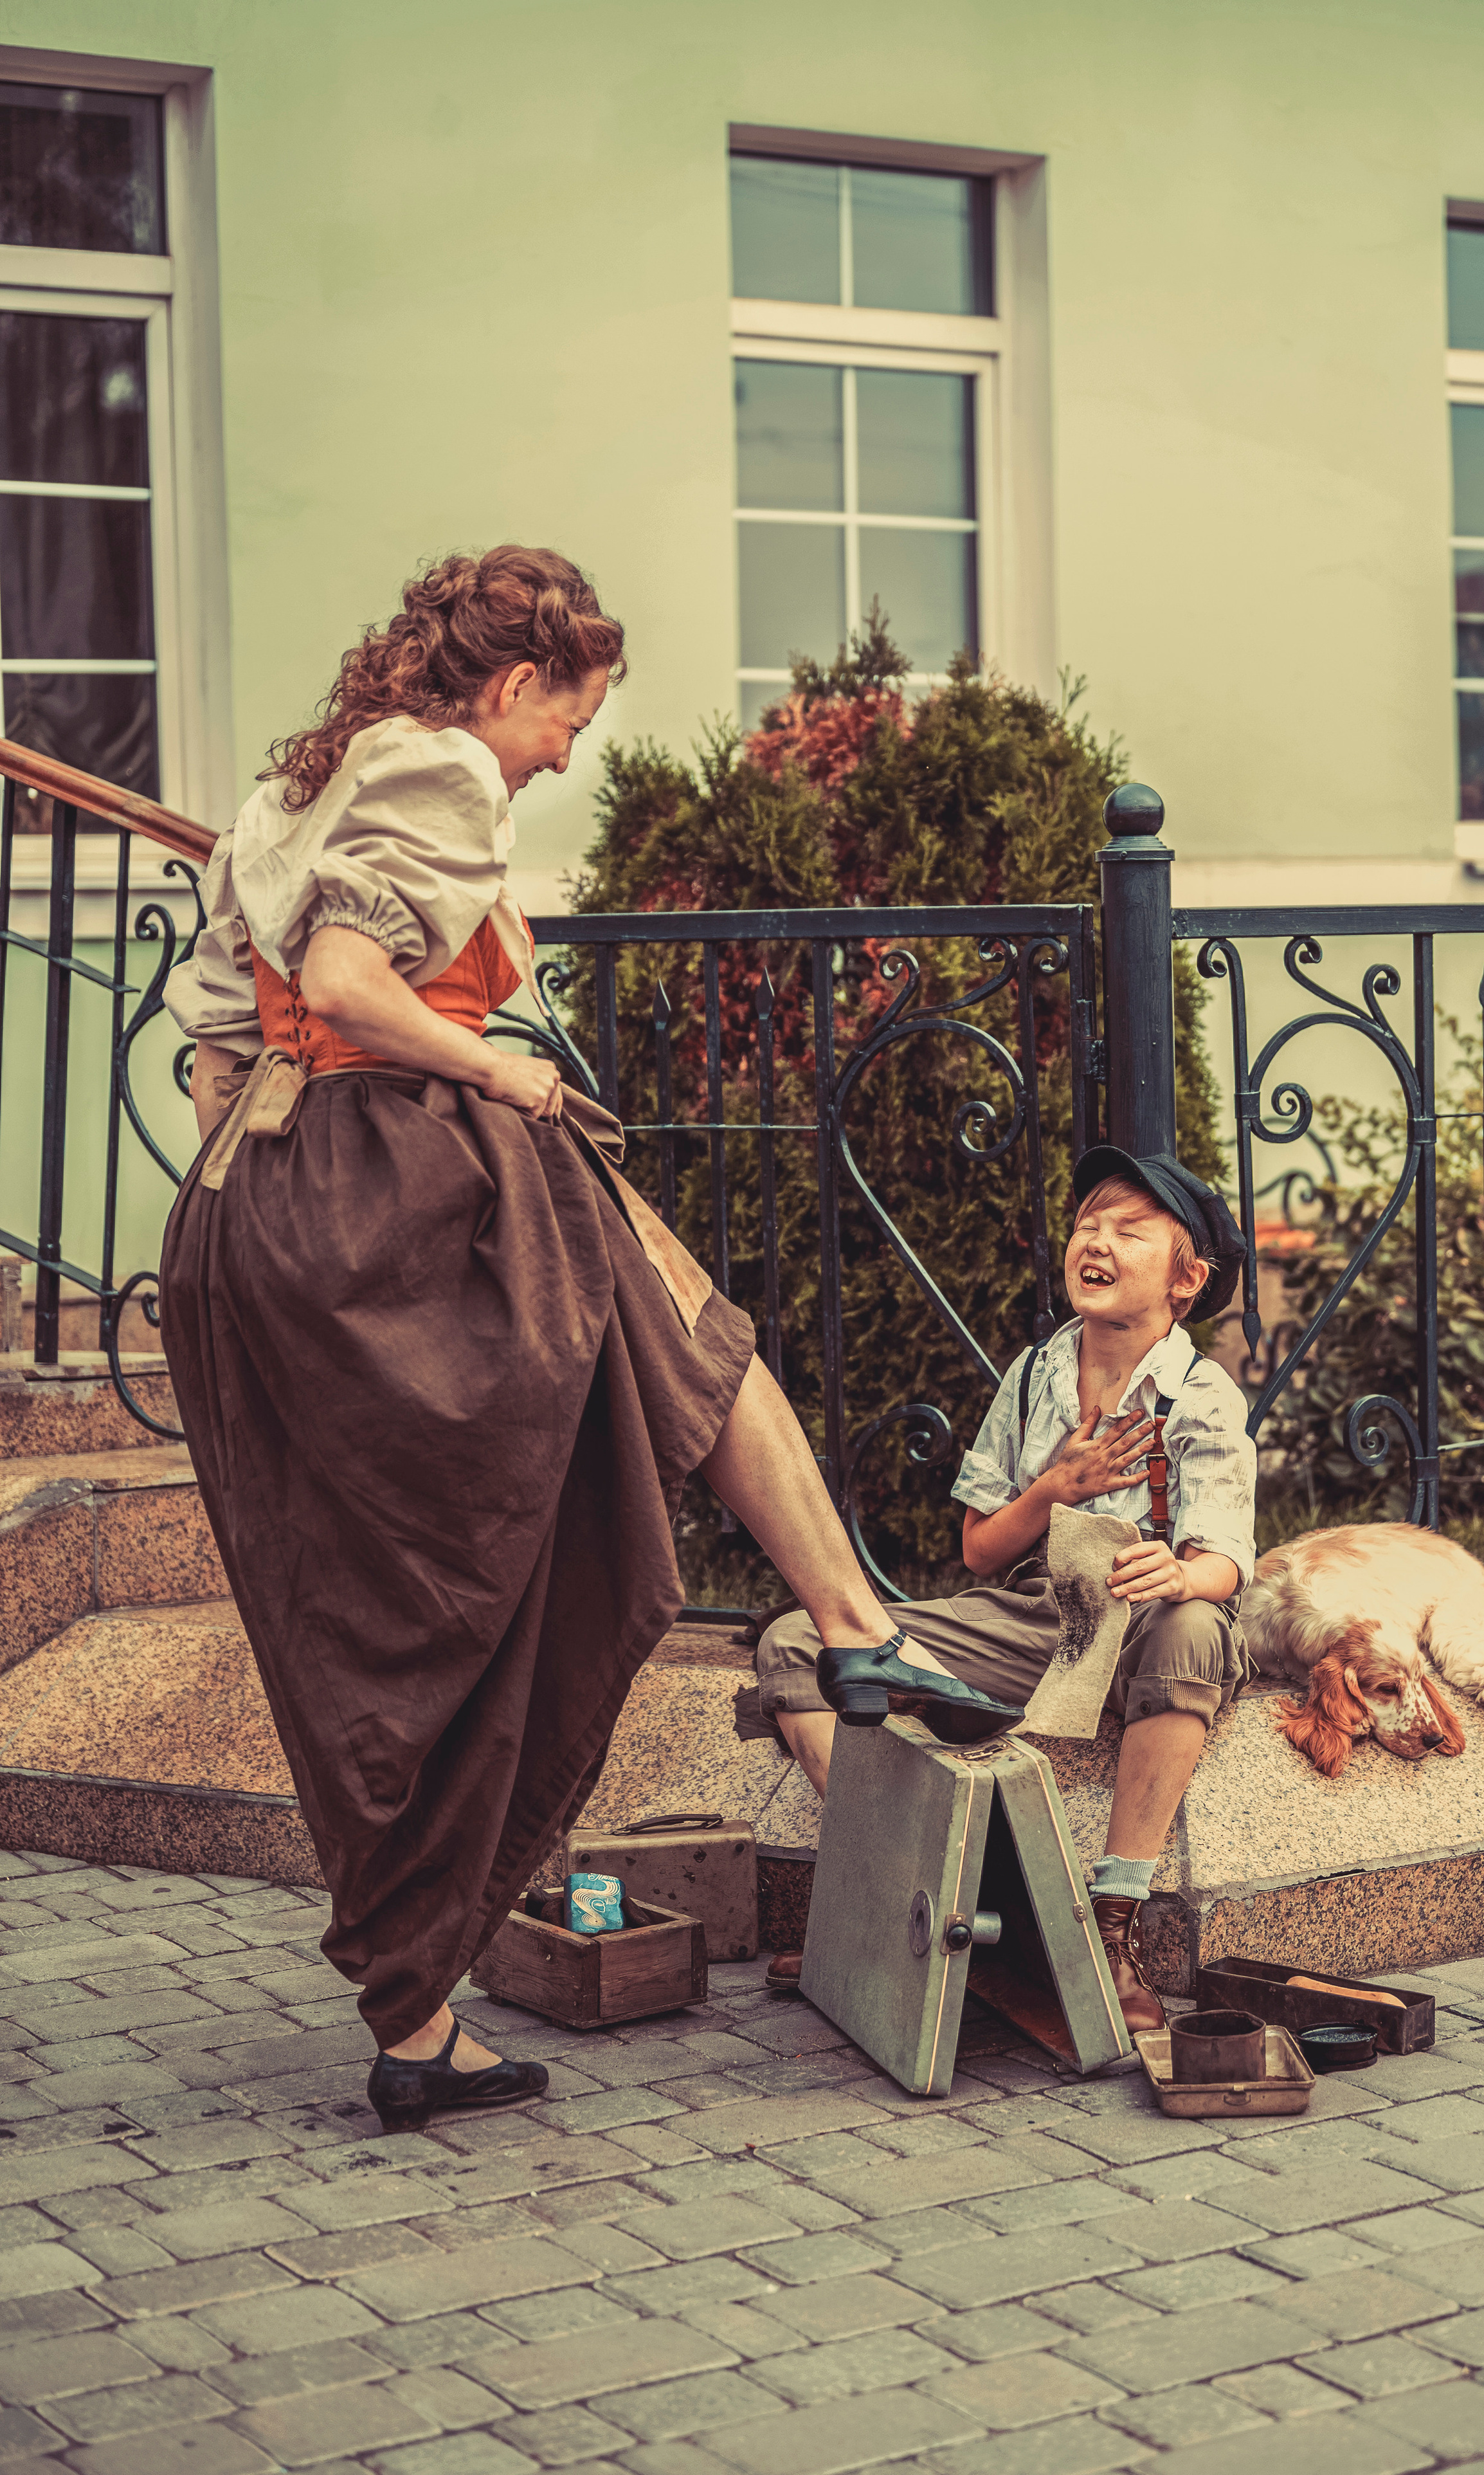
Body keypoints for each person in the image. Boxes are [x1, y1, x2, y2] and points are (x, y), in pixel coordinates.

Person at [159, 544, 1017, 2134]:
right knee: (689, 1346)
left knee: (380, 1609)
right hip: (408, 1182)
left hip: (261, 1211)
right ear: (511, 684)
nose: (567, 754)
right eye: (571, 716)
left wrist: (271, 1211)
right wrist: (495, 1075)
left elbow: (222, 1043)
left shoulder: (295, 792)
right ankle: (854, 1623)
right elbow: (346, 982)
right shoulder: (439, 770)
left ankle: (415, 2018)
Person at [757, 1146, 1256, 2031]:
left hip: (1141, 1622)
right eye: (1087, 1226)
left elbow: (1223, 1559)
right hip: (1033, 1617)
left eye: (1130, 1232)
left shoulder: (1201, 1394)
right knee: (802, 1641)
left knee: (1194, 1626)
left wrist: (1181, 1573)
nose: (1096, 1243)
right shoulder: (1033, 1376)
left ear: (1187, 1281)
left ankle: (1112, 1928)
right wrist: (1053, 1490)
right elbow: (981, 1550)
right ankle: (911, 1892)